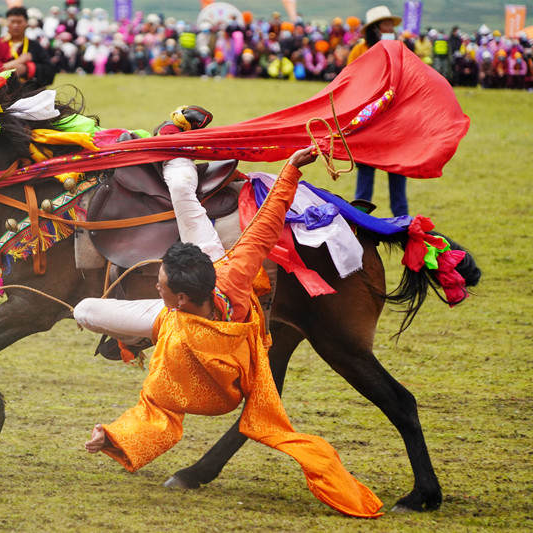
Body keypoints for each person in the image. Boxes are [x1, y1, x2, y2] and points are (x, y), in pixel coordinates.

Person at [75, 115, 383, 518]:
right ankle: (178, 143)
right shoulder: (230, 272)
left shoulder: (174, 334)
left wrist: (113, 435)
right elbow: (267, 223)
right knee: (184, 193)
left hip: (192, 345)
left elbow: (159, 408)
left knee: (84, 310)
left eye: (161, 285)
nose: (155, 284)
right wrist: (290, 168)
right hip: (212, 293)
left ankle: (172, 143)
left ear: (178, 298)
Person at [347, 5, 408, 217]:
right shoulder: (359, 51)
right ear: (375, 28)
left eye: (391, 23)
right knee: (365, 173)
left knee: (398, 171)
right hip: (369, 119)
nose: (391, 27)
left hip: (394, 120)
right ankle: (359, 220)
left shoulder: (401, 48)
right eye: (386, 23)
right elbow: (350, 81)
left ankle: (402, 221)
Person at [0, 6, 55, 87]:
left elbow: (50, 71)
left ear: (26, 23)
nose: (15, 25)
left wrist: (27, 69)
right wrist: (17, 62)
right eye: (12, 22)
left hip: (31, 91)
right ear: (7, 23)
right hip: (4, 92)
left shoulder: (35, 46)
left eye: (19, 22)